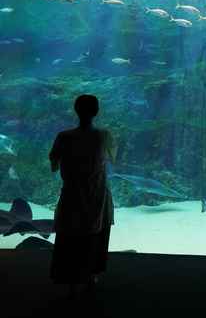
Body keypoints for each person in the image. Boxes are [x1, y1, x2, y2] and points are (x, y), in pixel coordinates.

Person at [49, 95, 118, 301]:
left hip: (73, 192)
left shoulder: (64, 136)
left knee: (71, 234)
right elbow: (112, 156)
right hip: (97, 192)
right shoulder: (104, 135)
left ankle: (71, 284)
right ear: (96, 112)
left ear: (75, 110)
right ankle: (91, 275)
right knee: (95, 233)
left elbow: (54, 160)